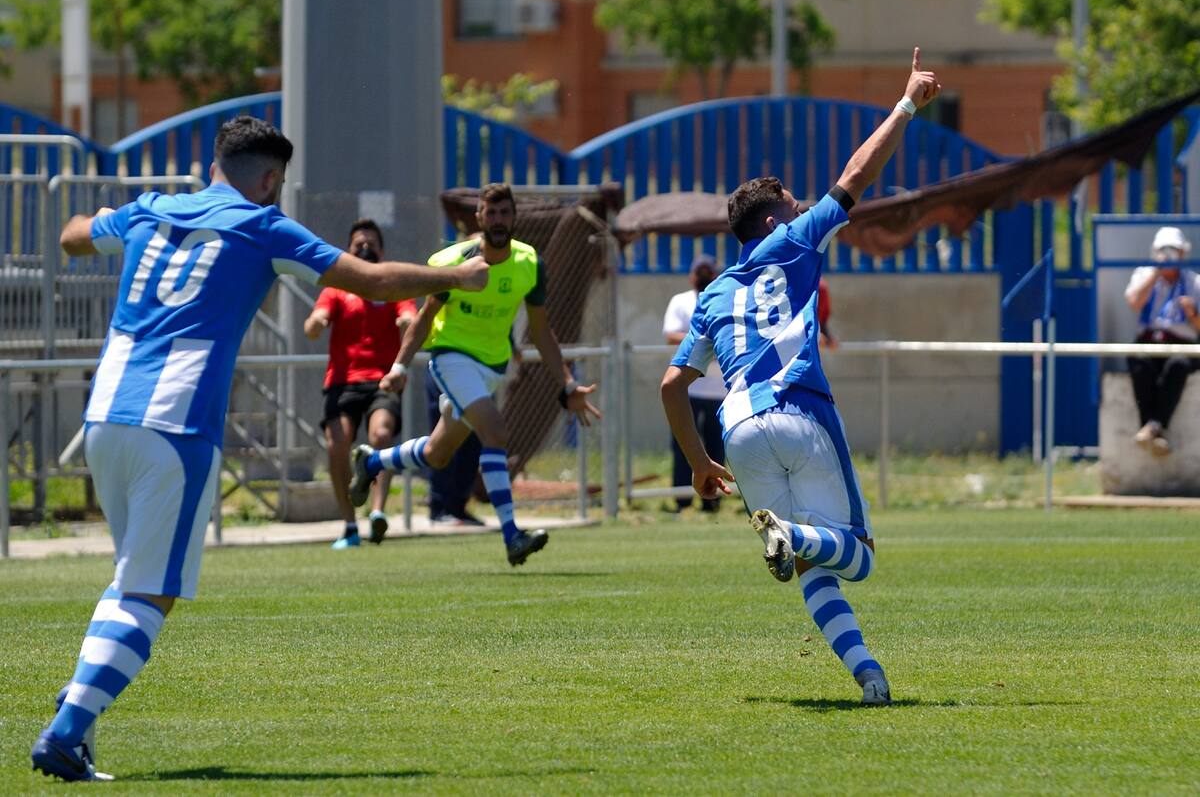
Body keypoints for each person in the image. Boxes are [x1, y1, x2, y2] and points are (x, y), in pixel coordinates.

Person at [31, 115, 489, 782]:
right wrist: (458, 278)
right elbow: (371, 280)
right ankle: (68, 728)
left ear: (212, 164)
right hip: (176, 423)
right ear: (271, 180)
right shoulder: (261, 225)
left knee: (130, 579)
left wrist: (101, 219)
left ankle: (81, 698)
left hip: (104, 415)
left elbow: (73, 236)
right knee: (149, 593)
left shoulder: (151, 209)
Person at [660, 48, 940, 707]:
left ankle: (869, 676)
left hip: (736, 427)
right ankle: (794, 536)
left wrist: (699, 464)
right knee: (857, 554)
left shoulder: (712, 293)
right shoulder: (793, 241)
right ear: (774, 219)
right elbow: (856, 174)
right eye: (792, 200)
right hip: (798, 412)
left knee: (813, 569)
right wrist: (906, 104)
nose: (802, 203)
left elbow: (672, 386)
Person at [348, 182, 602, 566]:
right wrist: (399, 366)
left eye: (504, 212)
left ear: (514, 217)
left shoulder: (529, 263)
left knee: (437, 453)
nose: (498, 220)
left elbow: (541, 330)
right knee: (495, 430)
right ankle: (512, 535)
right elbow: (425, 317)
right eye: (491, 213)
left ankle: (371, 463)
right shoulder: (455, 261)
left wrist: (567, 383)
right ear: (479, 217)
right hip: (451, 358)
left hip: (491, 368)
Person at [303, 219, 419, 548]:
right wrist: (316, 322)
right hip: (343, 382)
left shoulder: (393, 285)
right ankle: (349, 525)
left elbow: (410, 316)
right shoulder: (337, 288)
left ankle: (377, 512)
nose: (365, 249)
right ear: (348, 251)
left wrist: (406, 321)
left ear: (382, 251)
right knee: (336, 443)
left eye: (371, 245)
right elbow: (315, 322)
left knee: (381, 434)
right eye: (359, 245)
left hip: (383, 380)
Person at [1123, 225, 1200, 456]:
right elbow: (1133, 302)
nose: (1168, 256)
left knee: (1178, 365)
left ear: (1183, 254)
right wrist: (1155, 273)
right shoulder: (1144, 274)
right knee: (1138, 362)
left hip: (1181, 343)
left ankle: (1152, 426)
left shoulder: (1194, 282)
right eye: (1163, 251)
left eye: (1173, 251)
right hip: (1149, 341)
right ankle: (1156, 428)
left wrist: (1193, 314)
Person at [662, 255, 726, 512]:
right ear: (691, 276)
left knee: (716, 446)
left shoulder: (722, 299)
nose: (704, 276)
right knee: (684, 446)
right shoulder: (681, 301)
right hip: (687, 389)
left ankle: (712, 501)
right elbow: (670, 334)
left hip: (719, 390)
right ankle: (682, 500)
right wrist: (705, 340)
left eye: (708, 271)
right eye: (699, 271)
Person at [424, 369, 485, 525]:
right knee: (443, 442)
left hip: (474, 374)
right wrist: (400, 367)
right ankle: (439, 507)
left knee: (472, 441)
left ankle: (458, 507)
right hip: (446, 369)